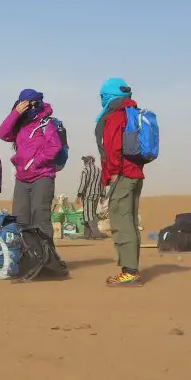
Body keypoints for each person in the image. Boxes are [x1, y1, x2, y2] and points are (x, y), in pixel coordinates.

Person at [95, 78, 145, 287]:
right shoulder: (133, 112)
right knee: (130, 221)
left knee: (121, 222)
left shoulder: (116, 115)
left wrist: (113, 173)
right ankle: (130, 268)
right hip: (135, 174)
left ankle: (130, 272)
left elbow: (113, 147)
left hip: (123, 175)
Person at [0, 88, 62, 239]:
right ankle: (26, 257)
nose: (31, 108)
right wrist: (16, 114)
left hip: (42, 175)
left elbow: (55, 146)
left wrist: (36, 162)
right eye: (27, 105)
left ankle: (45, 258)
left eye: (34, 104)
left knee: (40, 217)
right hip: (22, 178)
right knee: (20, 219)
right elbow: (2, 134)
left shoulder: (46, 122)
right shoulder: (20, 125)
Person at [76, 156, 106, 240]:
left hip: (87, 196)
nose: (84, 162)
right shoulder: (99, 170)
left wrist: (79, 195)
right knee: (89, 214)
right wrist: (103, 196)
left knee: (89, 215)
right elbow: (102, 184)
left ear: (88, 161)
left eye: (85, 161)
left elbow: (83, 184)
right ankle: (87, 235)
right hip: (96, 196)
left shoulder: (85, 170)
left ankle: (97, 234)